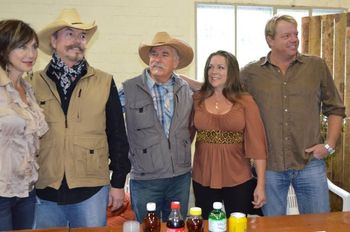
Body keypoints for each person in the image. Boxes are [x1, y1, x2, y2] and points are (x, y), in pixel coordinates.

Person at [27, 9, 130, 228]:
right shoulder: (32, 83)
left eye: (82, 36)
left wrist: (118, 182)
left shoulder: (103, 81)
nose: (77, 41)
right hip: (45, 191)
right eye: (69, 34)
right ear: (53, 41)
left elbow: (118, 136)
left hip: (91, 191)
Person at [240, 15, 346, 216]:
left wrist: (329, 145)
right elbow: (223, 91)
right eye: (286, 35)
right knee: (273, 229)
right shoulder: (251, 73)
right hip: (269, 168)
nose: (294, 39)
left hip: (310, 163)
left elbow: (336, 109)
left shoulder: (316, 66)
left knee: (318, 226)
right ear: (270, 40)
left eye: (295, 34)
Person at [119, 31, 193, 222]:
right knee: (147, 227)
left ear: (176, 62)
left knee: (176, 227)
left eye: (164, 54)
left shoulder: (185, 89)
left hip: (180, 177)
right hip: (145, 180)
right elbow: (108, 124)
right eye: (154, 54)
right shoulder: (129, 89)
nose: (157, 59)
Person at [191, 50, 267, 219]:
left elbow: (258, 145)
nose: (214, 71)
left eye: (220, 67)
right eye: (210, 67)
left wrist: (260, 185)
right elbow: (183, 137)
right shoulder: (197, 99)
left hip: (238, 176)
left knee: (237, 225)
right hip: (203, 175)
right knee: (206, 224)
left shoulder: (245, 101)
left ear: (231, 71)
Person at [0, 20, 48, 231]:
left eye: (34, 46)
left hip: (26, 190)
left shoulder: (27, 88)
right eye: (22, 46)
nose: (31, 54)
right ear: (3, 48)